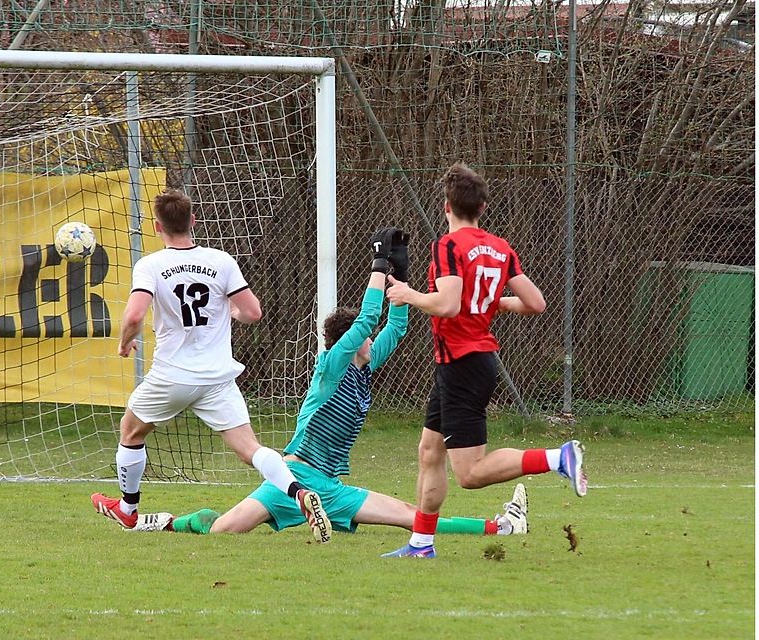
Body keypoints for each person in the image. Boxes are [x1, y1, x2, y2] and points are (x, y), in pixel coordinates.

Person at [126, 228, 529, 546]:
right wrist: (377, 265)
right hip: (293, 478)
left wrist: (400, 274)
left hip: (331, 489)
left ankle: (502, 527)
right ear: (352, 342)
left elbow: (396, 325)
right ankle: (171, 522)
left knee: (410, 513)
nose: (374, 341)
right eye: (365, 337)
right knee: (221, 532)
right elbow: (370, 320)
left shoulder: (364, 368)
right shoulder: (332, 365)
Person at [91, 189, 331, 544]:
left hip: (172, 374)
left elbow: (135, 314)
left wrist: (125, 341)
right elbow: (253, 312)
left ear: (158, 227)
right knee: (250, 449)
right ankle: (297, 492)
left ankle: (128, 509)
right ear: (193, 222)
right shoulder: (221, 261)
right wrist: (230, 311)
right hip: (217, 377)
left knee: (131, 430)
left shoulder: (151, 265)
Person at [382, 163, 587, 559]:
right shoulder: (500, 247)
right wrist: (490, 303)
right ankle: (421, 544)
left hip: (463, 363)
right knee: (430, 450)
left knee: (470, 474)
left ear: (446, 206)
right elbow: (536, 303)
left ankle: (556, 458)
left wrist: (408, 295)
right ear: (483, 207)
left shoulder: (448, 246)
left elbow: (447, 304)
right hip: (462, 363)